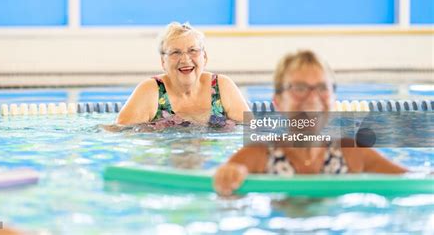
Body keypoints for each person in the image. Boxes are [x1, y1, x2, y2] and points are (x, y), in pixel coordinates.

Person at [213, 50, 407, 196]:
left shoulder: (352, 153)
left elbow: (413, 182)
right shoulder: (256, 157)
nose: (313, 99)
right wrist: (228, 179)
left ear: (333, 100)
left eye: (322, 88)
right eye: (299, 88)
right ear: (278, 102)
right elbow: (225, 202)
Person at [115, 22, 249, 129]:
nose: (185, 59)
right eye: (175, 52)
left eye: (193, 50)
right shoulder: (151, 90)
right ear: (163, 62)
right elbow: (119, 132)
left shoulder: (222, 86)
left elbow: (252, 130)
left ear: (205, 57)